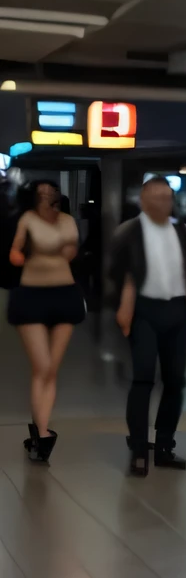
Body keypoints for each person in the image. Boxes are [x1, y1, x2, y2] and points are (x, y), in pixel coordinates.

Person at [108, 176, 186, 478]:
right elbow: (120, 274)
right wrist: (125, 305)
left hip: (177, 311)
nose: (164, 203)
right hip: (144, 310)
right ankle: (138, 449)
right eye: (157, 197)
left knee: (175, 381)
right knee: (143, 378)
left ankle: (164, 446)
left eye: (168, 198)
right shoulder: (129, 232)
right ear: (143, 201)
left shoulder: (184, 232)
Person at [7, 179, 85, 463]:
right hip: (31, 295)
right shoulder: (25, 219)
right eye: (41, 194)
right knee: (41, 366)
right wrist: (26, 255)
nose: (46, 197)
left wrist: (49, 251)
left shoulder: (66, 221)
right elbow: (14, 253)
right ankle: (42, 432)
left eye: (50, 193)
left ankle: (40, 432)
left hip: (64, 295)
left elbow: (71, 251)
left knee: (50, 369)